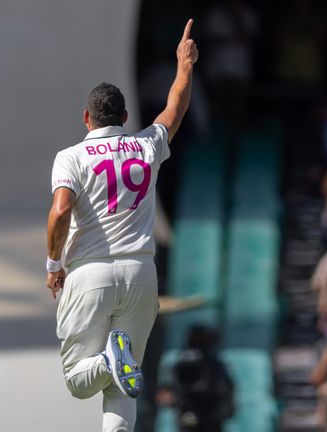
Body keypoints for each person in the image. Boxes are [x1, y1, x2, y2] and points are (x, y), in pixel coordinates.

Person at [45, 19, 198, 432]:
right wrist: (184, 67)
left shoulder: (72, 157)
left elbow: (60, 211)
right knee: (121, 381)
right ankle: (116, 365)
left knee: (80, 380)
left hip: (90, 274)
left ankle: (110, 358)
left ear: (86, 118)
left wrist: (53, 264)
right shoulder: (146, 145)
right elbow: (175, 110)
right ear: (126, 116)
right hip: (141, 274)